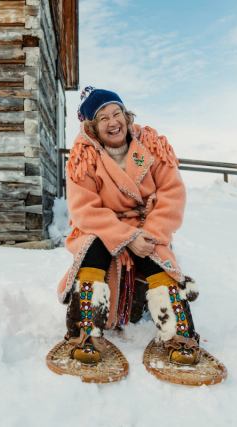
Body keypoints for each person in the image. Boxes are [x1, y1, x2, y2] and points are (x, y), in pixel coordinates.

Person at [57, 87, 200, 365]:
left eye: (116, 113)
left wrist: (149, 235)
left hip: (148, 224)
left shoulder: (152, 146)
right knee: (93, 246)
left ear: (126, 114)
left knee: (155, 253)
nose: (113, 122)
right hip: (103, 227)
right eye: (103, 118)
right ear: (92, 127)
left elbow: (172, 194)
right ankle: (84, 331)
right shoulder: (82, 157)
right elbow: (84, 209)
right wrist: (125, 236)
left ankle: (177, 333)